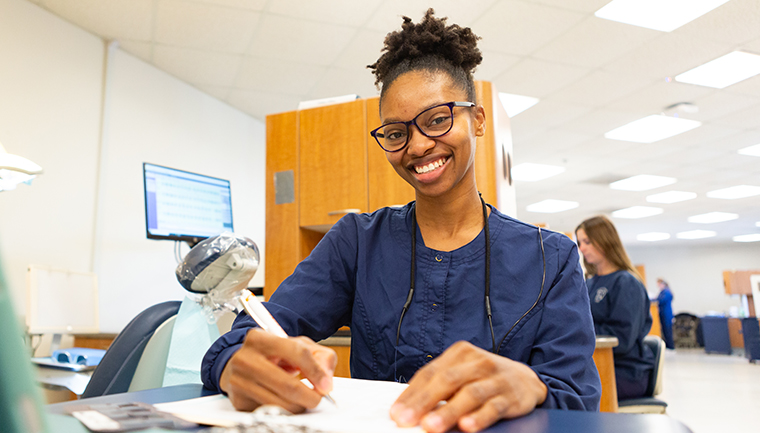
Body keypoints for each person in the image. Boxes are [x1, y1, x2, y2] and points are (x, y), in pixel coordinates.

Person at [202, 9, 601, 433]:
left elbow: (577, 401)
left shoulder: (551, 258)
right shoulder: (357, 242)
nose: (418, 145)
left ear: (477, 120)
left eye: (437, 119)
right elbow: (250, 334)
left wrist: (533, 386)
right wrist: (233, 363)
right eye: (396, 133)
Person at [575, 216, 655, 400]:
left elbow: (622, 338)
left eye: (587, 241)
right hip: (596, 366)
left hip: (625, 371)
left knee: (568, 394)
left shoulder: (626, 283)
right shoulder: (589, 283)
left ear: (605, 240)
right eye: (580, 242)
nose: (582, 248)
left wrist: (580, 333)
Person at [657, 278, 675, 349]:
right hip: (662, 314)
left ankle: (671, 346)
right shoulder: (662, 292)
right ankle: (667, 345)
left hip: (667, 314)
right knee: (664, 331)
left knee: (668, 331)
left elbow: (660, 300)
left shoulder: (667, 292)